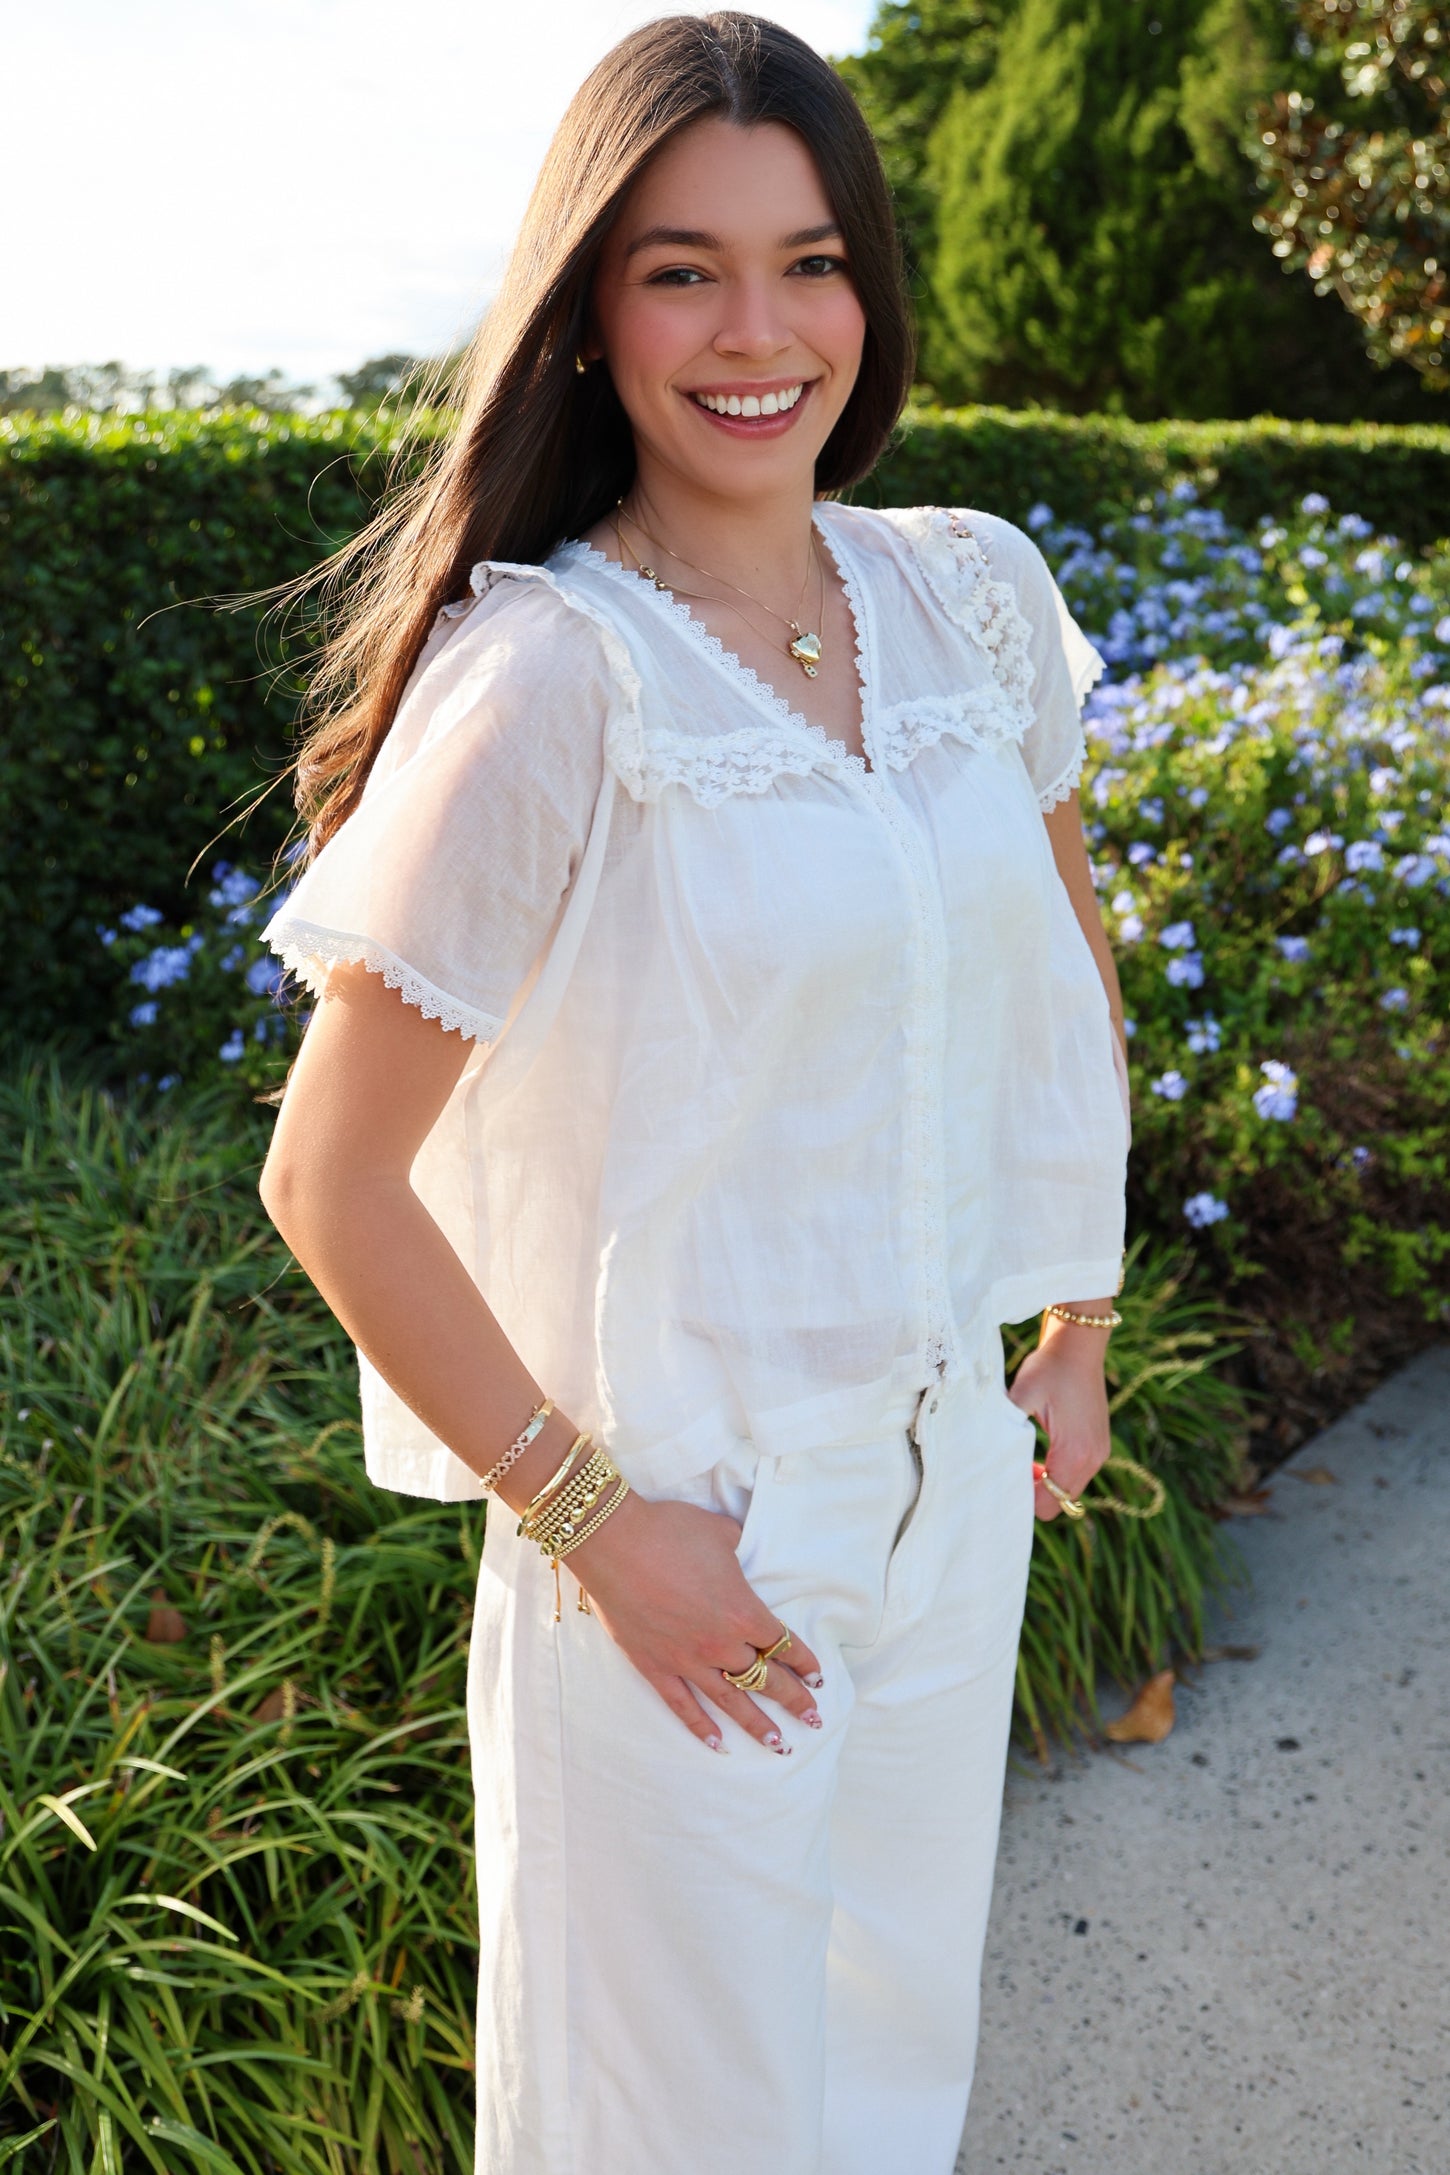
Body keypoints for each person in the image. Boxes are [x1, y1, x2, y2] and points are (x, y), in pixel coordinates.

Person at [255, 13, 1131, 2172]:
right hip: (679, 1542)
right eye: (681, 268)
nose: (761, 330)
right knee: (678, 2134)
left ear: (868, 290)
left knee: (884, 2081)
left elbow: (1054, 962)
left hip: (944, 1501)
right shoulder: (550, 675)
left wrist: (1073, 1322)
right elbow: (330, 1176)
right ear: (587, 310)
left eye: (809, 259)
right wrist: (593, 1521)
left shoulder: (966, 595)